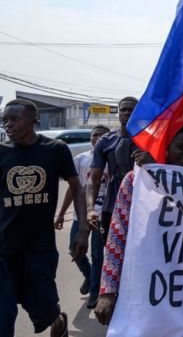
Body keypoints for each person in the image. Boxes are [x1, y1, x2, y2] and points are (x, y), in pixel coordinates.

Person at [94, 123, 183, 325]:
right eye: (182, 147)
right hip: (143, 280)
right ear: (165, 146)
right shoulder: (135, 180)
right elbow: (117, 235)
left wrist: (160, 175)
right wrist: (108, 291)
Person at [0, 99, 89, 337]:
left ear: (33, 121)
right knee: (2, 316)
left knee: (46, 311)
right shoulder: (1, 152)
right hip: (4, 249)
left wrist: (82, 230)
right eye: (5, 120)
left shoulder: (55, 149)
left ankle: (58, 321)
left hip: (40, 248)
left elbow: (77, 188)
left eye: (15, 119)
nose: (8, 124)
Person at [55, 124, 110, 310]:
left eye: (103, 135)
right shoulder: (81, 159)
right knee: (74, 250)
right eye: (95, 135)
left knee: (96, 253)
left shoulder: (113, 158)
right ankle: (89, 276)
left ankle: (95, 291)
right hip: (81, 214)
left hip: (102, 214)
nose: (98, 138)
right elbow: (74, 189)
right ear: (91, 138)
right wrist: (61, 213)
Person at [89, 96, 139, 245]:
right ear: (118, 113)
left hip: (141, 206)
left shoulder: (150, 140)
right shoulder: (105, 141)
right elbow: (94, 180)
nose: (127, 113)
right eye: (123, 109)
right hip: (112, 206)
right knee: (113, 253)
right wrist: (90, 209)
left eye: (131, 110)